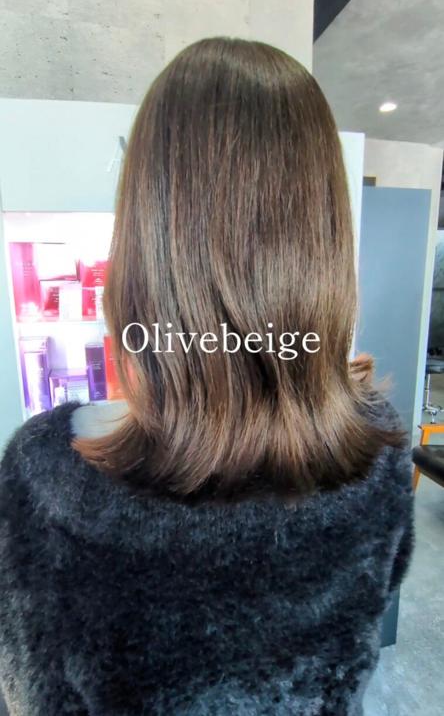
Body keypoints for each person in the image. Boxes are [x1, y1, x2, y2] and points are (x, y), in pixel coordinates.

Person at [0, 38, 414, 716]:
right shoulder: (377, 449)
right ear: (323, 236)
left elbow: (35, 696)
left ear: (148, 230)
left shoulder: (49, 476)